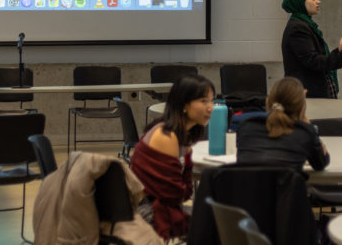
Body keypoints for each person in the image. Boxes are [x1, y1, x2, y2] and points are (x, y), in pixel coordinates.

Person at [130, 74, 215, 240]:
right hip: (147, 210)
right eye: (204, 101)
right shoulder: (166, 136)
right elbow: (173, 194)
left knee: (214, 219)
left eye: (212, 100)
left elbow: (184, 190)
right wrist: (182, 188)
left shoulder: (182, 136)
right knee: (215, 223)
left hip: (162, 205)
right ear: (184, 104)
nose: (210, 107)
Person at [236, 76, 329, 172]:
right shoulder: (304, 133)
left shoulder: (247, 126)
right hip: (286, 186)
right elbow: (320, 164)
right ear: (301, 104)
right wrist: (307, 122)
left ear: (268, 100)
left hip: (249, 186)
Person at [281, 0, 342, 98]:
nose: (318, 1)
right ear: (300, 1)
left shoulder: (305, 24)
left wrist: (339, 52)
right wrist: (338, 55)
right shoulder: (297, 28)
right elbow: (313, 61)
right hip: (308, 94)